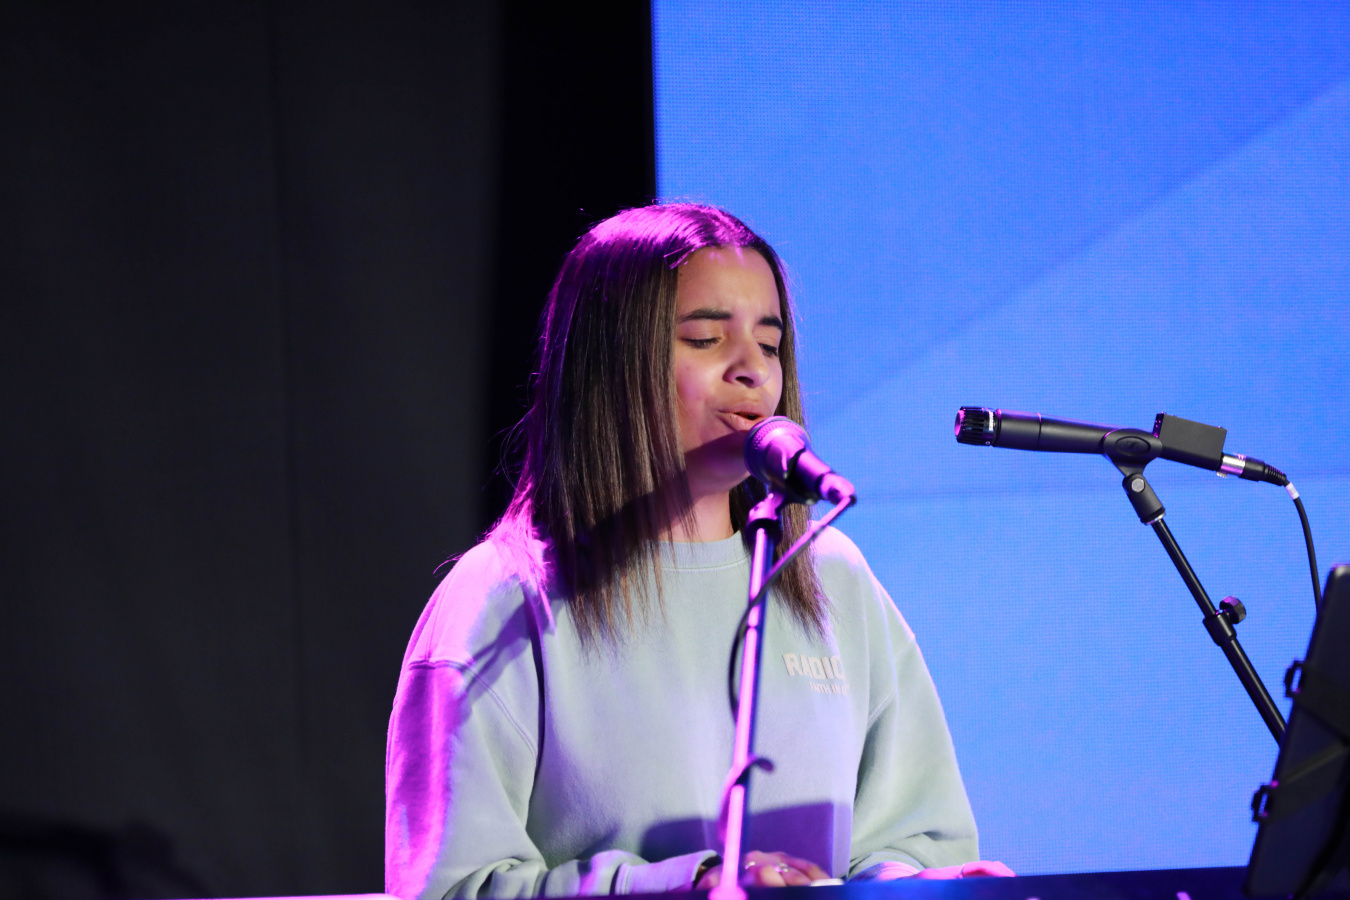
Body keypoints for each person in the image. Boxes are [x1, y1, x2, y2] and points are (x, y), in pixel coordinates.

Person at [384, 203, 1012, 898]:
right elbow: (454, 888)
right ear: (610, 365)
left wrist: (922, 885)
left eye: (769, 344)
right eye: (708, 339)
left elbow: (904, 840)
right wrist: (692, 884)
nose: (753, 371)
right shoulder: (504, 599)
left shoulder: (832, 578)